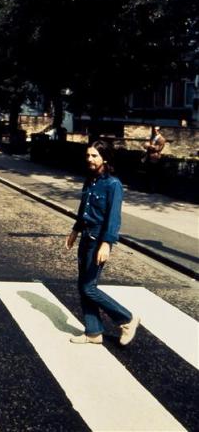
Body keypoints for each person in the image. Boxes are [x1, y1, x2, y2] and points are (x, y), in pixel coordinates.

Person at [65, 140, 140, 345]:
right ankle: (93, 332)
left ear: (104, 159)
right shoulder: (90, 180)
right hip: (85, 237)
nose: (89, 159)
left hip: (98, 240)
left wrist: (106, 244)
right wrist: (75, 230)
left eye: (94, 156)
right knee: (83, 285)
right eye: (88, 155)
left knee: (89, 287)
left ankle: (127, 319)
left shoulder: (113, 184)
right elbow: (84, 209)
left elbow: (113, 217)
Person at [142, 125, 166, 191]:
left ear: (159, 130)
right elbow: (148, 146)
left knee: (154, 174)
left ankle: (153, 189)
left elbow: (158, 148)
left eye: (157, 129)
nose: (155, 131)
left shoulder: (162, 139)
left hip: (155, 158)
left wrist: (149, 146)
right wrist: (147, 146)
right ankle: (147, 188)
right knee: (148, 173)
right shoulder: (153, 137)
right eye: (154, 129)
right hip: (149, 157)